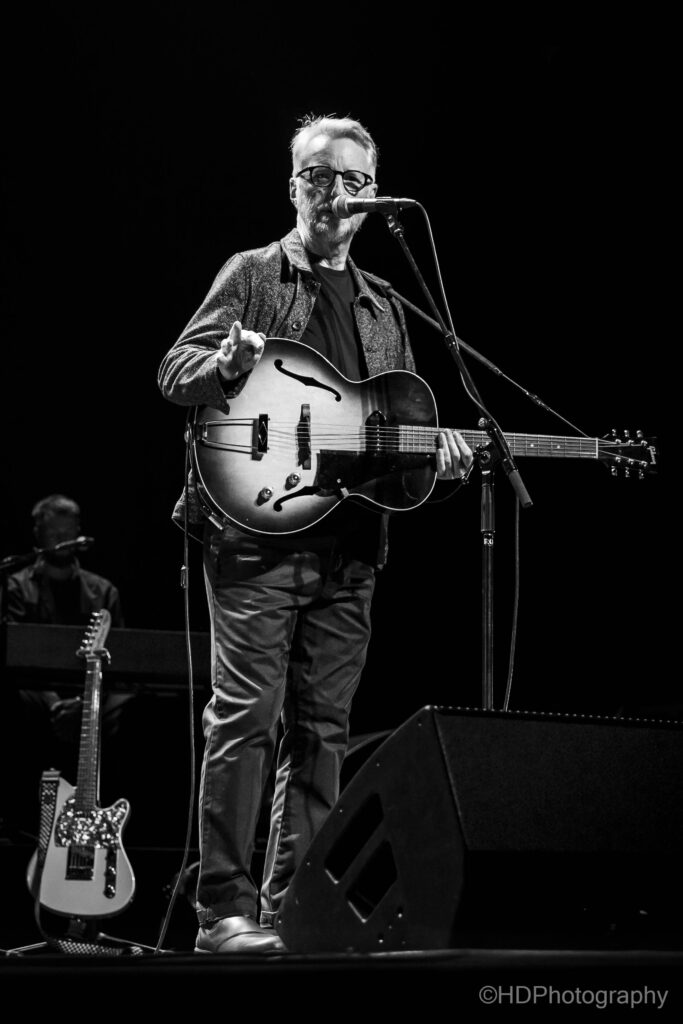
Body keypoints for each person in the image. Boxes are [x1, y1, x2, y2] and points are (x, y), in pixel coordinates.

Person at [158, 115, 473, 954]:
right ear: (293, 186)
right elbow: (174, 372)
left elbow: (388, 445)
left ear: (372, 194)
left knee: (321, 734)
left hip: (348, 549)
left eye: (349, 180)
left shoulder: (385, 305)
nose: (334, 194)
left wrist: (437, 463)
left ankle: (292, 915)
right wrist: (225, 365)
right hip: (255, 538)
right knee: (245, 721)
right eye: (317, 177)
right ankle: (221, 912)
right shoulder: (254, 273)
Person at [1, 494, 128, 835]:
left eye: (67, 532)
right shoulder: (15, 586)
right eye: (53, 533)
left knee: (130, 708)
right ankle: (20, 825)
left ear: (79, 532)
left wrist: (85, 707)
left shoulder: (103, 591)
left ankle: (111, 827)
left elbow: (122, 662)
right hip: (40, 697)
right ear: (37, 534)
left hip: (92, 698)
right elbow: (17, 659)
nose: (61, 539)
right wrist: (57, 705)